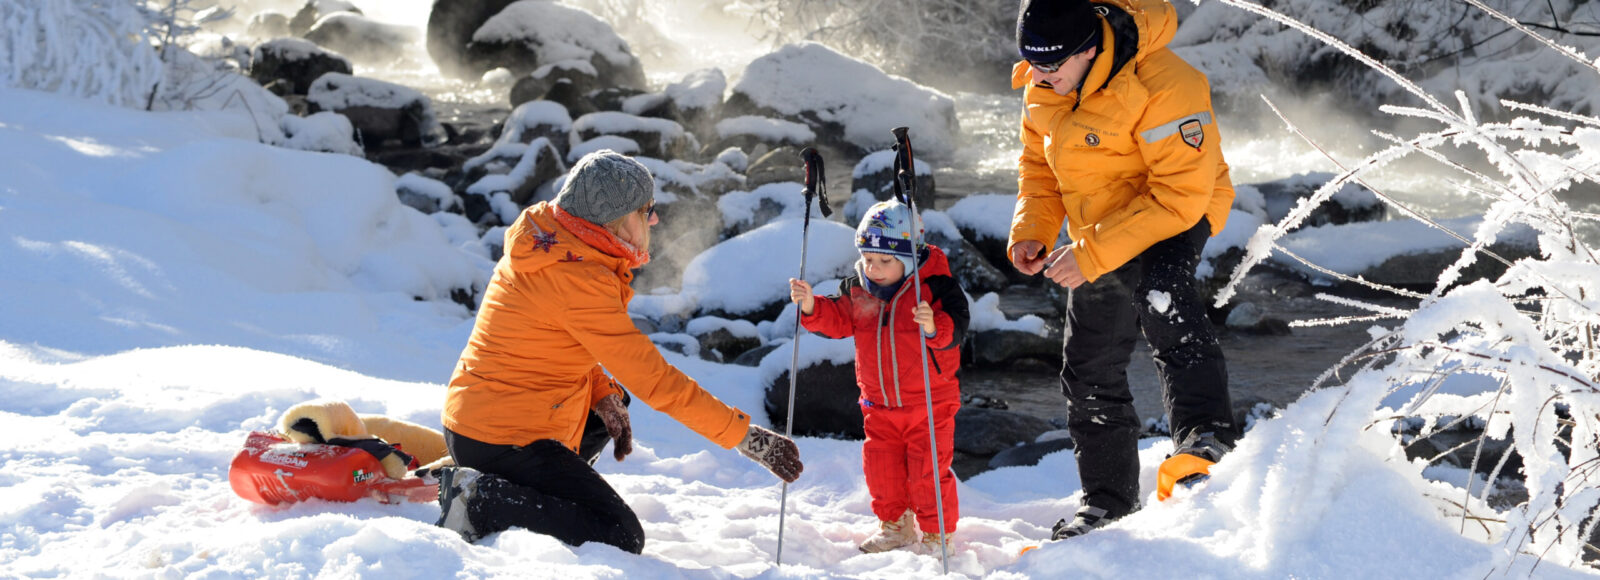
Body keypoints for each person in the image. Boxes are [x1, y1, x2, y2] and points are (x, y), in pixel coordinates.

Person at [434, 150, 804, 553]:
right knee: (617, 533)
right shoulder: (576, 277)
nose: (655, 219)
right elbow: (658, 382)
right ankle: (480, 500)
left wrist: (601, 392)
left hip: (483, 417)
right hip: (502, 436)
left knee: (611, 398)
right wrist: (745, 437)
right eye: (646, 210)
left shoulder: (552, 241)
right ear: (614, 218)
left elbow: (554, 337)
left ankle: (525, 489)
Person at [1007, 0, 1241, 540]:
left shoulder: (1165, 83)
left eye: (1053, 66)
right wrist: (1033, 232)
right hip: (1103, 223)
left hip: (1178, 208)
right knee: (1088, 360)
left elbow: (1179, 196)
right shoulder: (1044, 83)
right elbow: (1038, 167)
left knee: (1160, 292)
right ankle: (1108, 501)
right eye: (1034, 65)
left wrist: (1089, 255)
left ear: (1089, 48)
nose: (1041, 77)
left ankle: (1206, 437)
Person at [788, 199, 969, 555]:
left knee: (927, 473)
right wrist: (811, 306)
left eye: (885, 261)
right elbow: (839, 320)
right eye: (868, 259)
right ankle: (895, 525)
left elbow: (956, 329)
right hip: (878, 404)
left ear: (910, 258)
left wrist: (934, 326)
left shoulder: (936, 288)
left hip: (928, 404)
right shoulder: (858, 290)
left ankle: (937, 534)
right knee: (880, 471)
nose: (874, 268)